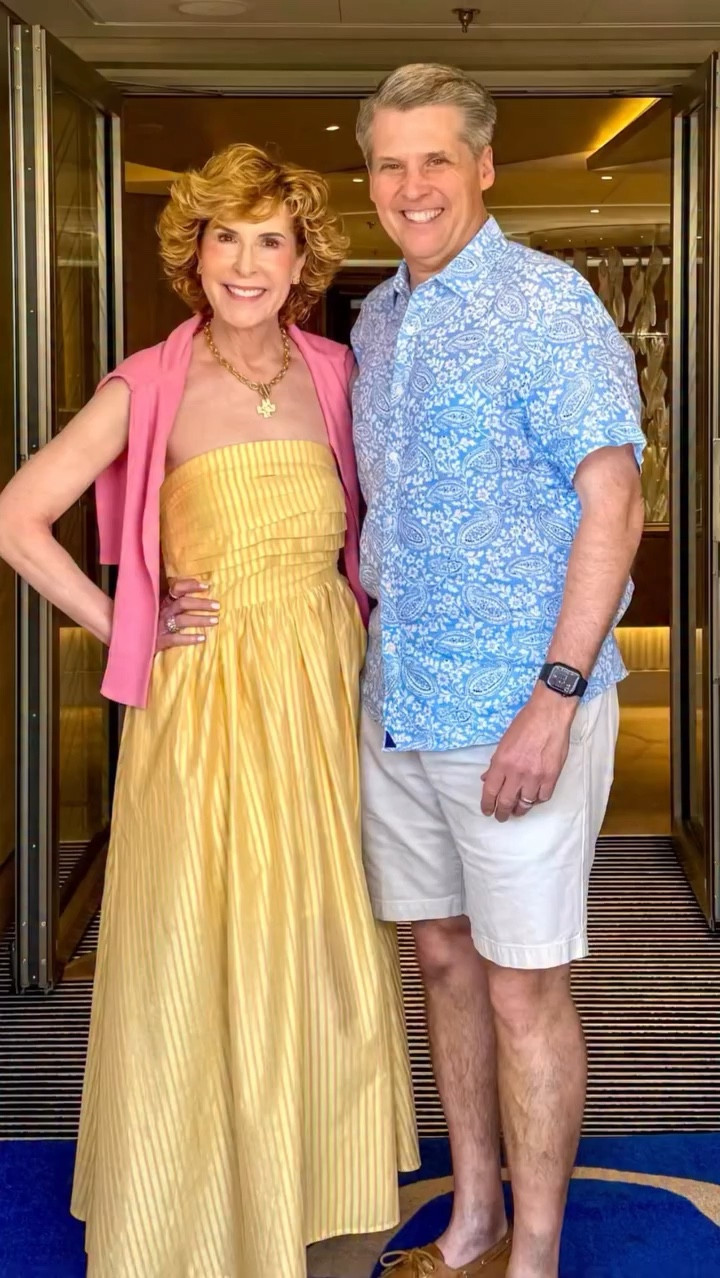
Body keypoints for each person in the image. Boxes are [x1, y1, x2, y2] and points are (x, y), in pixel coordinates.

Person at [0, 142, 418, 1278]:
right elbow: (18, 517)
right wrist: (122, 614)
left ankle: (315, 1192)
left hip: (326, 687)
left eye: (269, 240)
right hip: (207, 688)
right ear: (194, 251)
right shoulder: (150, 381)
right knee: (199, 928)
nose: (246, 262)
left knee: (323, 938)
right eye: (224, 236)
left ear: (302, 259)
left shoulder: (341, 371)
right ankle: (185, 1206)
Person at [351, 65, 646, 1278]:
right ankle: (470, 1222)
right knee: (443, 963)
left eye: (435, 161)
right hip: (402, 698)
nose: (412, 186)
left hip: (521, 707)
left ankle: (532, 1262)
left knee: (526, 988)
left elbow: (614, 498)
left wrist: (557, 697)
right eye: (388, 163)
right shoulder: (375, 318)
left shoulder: (546, 303)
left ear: (482, 168)